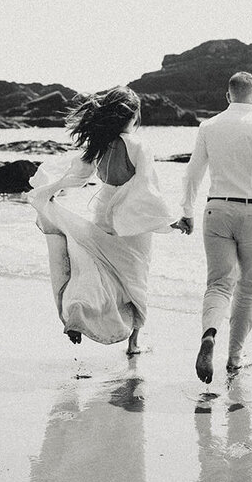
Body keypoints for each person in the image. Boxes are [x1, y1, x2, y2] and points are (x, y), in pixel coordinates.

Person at [26, 86, 176, 355]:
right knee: (135, 280)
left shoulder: (98, 145)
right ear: (131, 116)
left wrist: (49, 193)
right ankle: (133, 343)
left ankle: (79, 311)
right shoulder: (138, 145)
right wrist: (165, 220)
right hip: (132, 222)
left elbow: (77, 177)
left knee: (97, 272)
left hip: (103, 213)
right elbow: (146, 186)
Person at [174, 72, 252, 383]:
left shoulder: (208, 126)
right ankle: (235, 358)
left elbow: (192, 173)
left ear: (228, 97)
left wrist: (187, 211)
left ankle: (209, 334)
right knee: (248, 288)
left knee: (218, 284)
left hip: (216, 209)